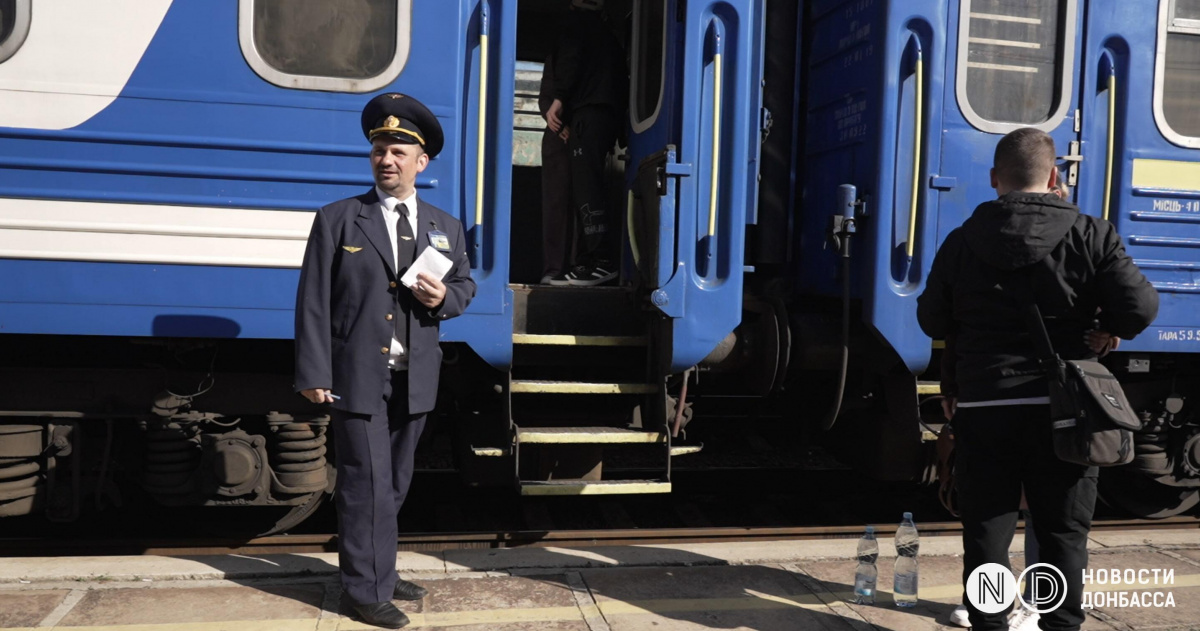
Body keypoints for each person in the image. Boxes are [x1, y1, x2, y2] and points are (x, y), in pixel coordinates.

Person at [917, 128, 1157, 631]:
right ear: (1054, 177)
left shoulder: (962, 241)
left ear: (993, 180)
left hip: (984, 405)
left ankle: (990, 623)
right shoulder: (1092, 233)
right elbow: (1139, 308)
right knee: (1062, 531)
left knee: (986, 531)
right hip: (1066, 409)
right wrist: (1108, 328)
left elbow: (933, 321)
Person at [294, 93, 476, 629]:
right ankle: (363, 591)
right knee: (364, 482)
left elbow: (465, 286)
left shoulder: (446, 226)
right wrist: (314, 373)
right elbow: (312, 301)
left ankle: (379, 568)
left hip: (416, 375)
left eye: (399, 150)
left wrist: (445, 298)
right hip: (356, 375)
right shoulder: (338, 220)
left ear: (422, 162)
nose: (387, 158)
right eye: (379, 148)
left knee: (394, 481)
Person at [544, 0, 627, 286]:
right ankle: (590, 261)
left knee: (587, 188)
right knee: (592, 184)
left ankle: (601, 260)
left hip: (588, 114)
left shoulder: (576, 26)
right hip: (605, 114)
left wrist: (558, 99)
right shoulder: (609, 35)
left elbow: (571, 59)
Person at [539, 50, 575, 285]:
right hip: (558, 140)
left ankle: (576, 266)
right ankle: (555, 268)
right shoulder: (556, 58)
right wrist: (558, 126)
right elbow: (545, 98)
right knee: (556, 206)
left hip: (583, 134)